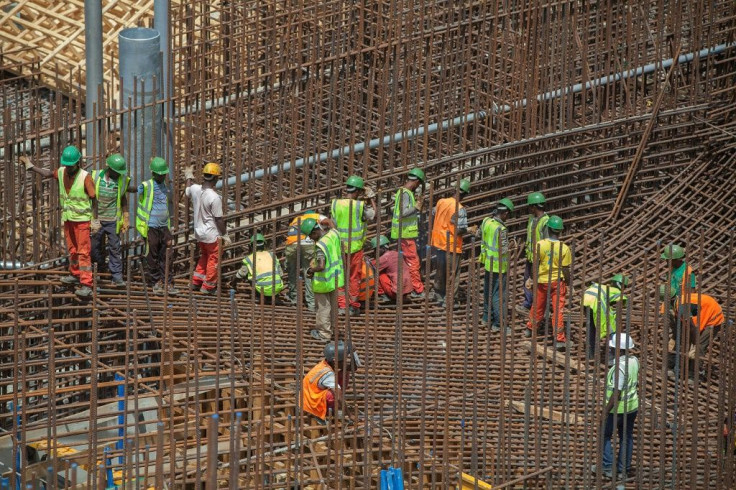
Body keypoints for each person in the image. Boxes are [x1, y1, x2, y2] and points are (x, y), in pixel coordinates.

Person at [24, 146, 96, 298]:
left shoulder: (85, 177)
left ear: (78, 163)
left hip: (82, 221)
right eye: (67, 165)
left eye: (71, 165)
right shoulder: (62, 171)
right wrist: (32, 167)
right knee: (72, 249)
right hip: (69, 219)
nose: (68, 167)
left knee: (83, 252)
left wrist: (95, 219)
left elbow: (94, 197)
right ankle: (75, 274)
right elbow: (49, 173)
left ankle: (86, 283)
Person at [592, 332, 639, 479]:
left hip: (618, 409)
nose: (610, 350)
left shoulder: (619, 367)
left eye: (612, 348)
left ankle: (607, 466)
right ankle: (623, 469)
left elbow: (616, 393)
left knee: (604, 435)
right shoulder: (634, 360)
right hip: (632, 407)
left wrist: (606, 411)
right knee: (626, 437)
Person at [330, 175, 376, 315]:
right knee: (353, 277)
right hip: (355, 248)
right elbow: (373, 215)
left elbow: (333, 224)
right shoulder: (359, 206)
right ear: (357, 192)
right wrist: (371, 198)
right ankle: (353, 305)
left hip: (339, 247)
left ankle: (342, 305)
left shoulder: (336, 204)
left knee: (339, 276)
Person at [525, 215, 572, 351]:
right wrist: (568, 283)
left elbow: (535, 264)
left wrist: (532, 279)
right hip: (557, 282)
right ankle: (559, 339)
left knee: (538, 306)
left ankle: (530, 328)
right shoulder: (564, 248)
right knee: (558, 310)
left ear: (548, 229)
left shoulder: (540, 245)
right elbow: (565, 269)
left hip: (542, 281)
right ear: (560, 231)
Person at [184, 163, 230, 295]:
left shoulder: (195, 189)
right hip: (211, 235)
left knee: (204, 256)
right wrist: (225, 234)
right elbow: (218, 219)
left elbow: (187, 190)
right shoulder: (214, 197)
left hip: (199, 233)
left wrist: (188, 176)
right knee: (213, 259)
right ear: (216, 179)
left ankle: (196, 280)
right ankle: (208, 286)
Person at [430, 179, 476, 307]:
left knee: (440, 271)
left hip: (438, 244)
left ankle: (438, 295)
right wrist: (470, 229)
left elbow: (434, 212)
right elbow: (459, 229)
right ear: (464, 194)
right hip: (451, 246)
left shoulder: (441, 202)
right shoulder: (459, 209)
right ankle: (450, 300)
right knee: (453, 274)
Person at [136, 157, 178, 295]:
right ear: (153, 173)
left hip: (164, 227)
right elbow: (134, 190)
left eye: (163, 174)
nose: (162, 176)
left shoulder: (165, 187)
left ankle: (167, 282)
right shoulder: (147, 185)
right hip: (151, 227)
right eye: (160, 174)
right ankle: (156, 282)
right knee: (152, 255)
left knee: (167, 255)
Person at [90, 154, 132, 287]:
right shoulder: (95, 176)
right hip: (97, 220)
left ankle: (117, 276)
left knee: (115, 248)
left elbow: (123, 197)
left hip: (113, 220)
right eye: (116, 172)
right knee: (93, 248)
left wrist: (126, 215)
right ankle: (99, 269)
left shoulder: (122, 180)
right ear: (109, 168)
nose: (118, 174)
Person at [302, 218, 344, 341]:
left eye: (310, 236)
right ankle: (332, 329)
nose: (310, 239)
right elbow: (333, 224)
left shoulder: (320, 245)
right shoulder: (333, 234)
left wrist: (310, 270)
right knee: (333, 306)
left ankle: (324, 334)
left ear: (315, 232)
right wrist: (326, 222)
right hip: (335, 279)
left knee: (323, 309)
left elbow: (321, 266)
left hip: (323, 282)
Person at [660, 285, 724, 361]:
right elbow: (678, 326)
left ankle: (694, 371)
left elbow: (692, 327)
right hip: (704, 312)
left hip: (714, 317)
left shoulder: (681, 306)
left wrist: (695, 344)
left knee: (699, 346)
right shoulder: (673, 304)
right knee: (687, 339)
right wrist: (674, 338)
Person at [478, 198, 514, 334]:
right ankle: (498, 324)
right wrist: (511, 245)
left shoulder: (486, 221)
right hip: (499, 267)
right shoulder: (501, 229)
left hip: (488, 263)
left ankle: (486, 318)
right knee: (498, 296)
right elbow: (503, 250)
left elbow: (479, 235)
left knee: (487, 291)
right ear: (504, 214)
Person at [302, 340, 361, 423]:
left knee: (344, 372)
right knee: (335, 395)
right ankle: (322, 411)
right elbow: (338, 396)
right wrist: (350, 415)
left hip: (311, 395)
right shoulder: (328, 374)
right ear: (335, 360)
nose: (345, 362)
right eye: (343, 360)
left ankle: (328, 408)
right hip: (311, 402)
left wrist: (353, 353)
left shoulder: (326, 363)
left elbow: (353, 368)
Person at [390, 167, 427, 299]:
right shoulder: (405, 193)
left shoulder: (404, 192)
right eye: (419, 184)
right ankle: (417, 289)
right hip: (405, 234)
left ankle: (411, 287)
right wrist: (416, 207)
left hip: (405, 233)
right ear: (416, 181)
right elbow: (403, 213)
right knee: (413, 261)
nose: (418, 187)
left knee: (408, 261)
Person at [285, 211, 327, 311]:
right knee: (308, 272)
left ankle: (294, 298)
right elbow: (328, 221)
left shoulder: (297, 219)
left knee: (292, 272)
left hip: (291, 244)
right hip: (307, 244)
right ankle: (311, 304)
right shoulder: (316, 217)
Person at [583, 274, 629, 360]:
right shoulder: (616, 291)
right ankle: (612, 357)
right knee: (611, 329)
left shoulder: (602, 287)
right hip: (597, 303)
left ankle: (590, 354)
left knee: (592, 328)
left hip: (586, 301)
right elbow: (623, 302)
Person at [517, 192, 549, 315]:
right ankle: (528, 303)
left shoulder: (546, 222)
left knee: (540, 283)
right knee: (528, 281)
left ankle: (541, 307)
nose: (529, 209)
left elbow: (547, 243)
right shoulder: (532, 219)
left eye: (530, 206)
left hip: (540, 259)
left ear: (534, 207)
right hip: (531, 257)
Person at [233, 234, 284, 301]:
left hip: (261, 289)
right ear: (264, 245)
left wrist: (233, 283)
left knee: (250, 276)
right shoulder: (272, 255)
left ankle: (259, 296)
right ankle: (272, 296)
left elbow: (240, 274)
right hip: (277, 287)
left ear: (251, 246)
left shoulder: (250, 259)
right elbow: (281, 274)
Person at [367, 235, 413, 302]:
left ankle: (382, 294)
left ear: (383, 248)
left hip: (395, 293)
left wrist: (367, 260)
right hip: (406, 291)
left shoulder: (386, 257)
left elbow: (371, 266)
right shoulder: (395, 254)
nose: (375, 252)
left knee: (378, 273)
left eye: (376, 249)